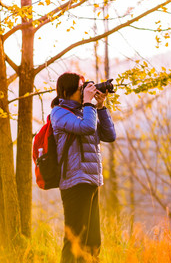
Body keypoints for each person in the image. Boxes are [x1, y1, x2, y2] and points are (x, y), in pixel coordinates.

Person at [50, 72, 116, 263]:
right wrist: (89, 104)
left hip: (92, 181)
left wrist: (100, 106)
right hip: (74, 182)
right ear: (66, 91)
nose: (83, 92)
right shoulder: (59, 113)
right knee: (75, 241)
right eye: (80, 89)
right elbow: (87, 128)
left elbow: (110, 135)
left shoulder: (84, 111)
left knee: (93, 242)